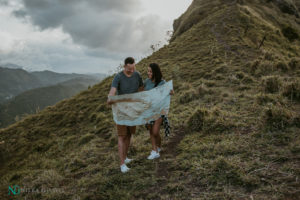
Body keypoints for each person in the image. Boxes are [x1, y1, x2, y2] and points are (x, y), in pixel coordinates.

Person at [107, 57, 143, 173]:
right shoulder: (118, 77)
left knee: (129, 134)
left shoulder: (137, 75)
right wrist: (110, 98)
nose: (131, 71)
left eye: (133, 68)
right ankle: (122, 164)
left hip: (133, 110)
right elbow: (112, 91)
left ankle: (125, 157)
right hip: (121, 111)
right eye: (129, 69)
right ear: (124, 67)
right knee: (122, 136)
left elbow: (141, 89)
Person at [143, 63, 174, 160]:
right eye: (148, 71)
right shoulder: (146, 82)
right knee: (151, 130)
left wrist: (170, 91)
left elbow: (171, 92)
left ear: (155, 72)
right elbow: (141, 91)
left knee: (155, 132)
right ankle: (155, 150)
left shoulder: (162, 82)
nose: (148, 73)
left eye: (150, 71)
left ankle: (158, 146)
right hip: (149, 110)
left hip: (160, 110)